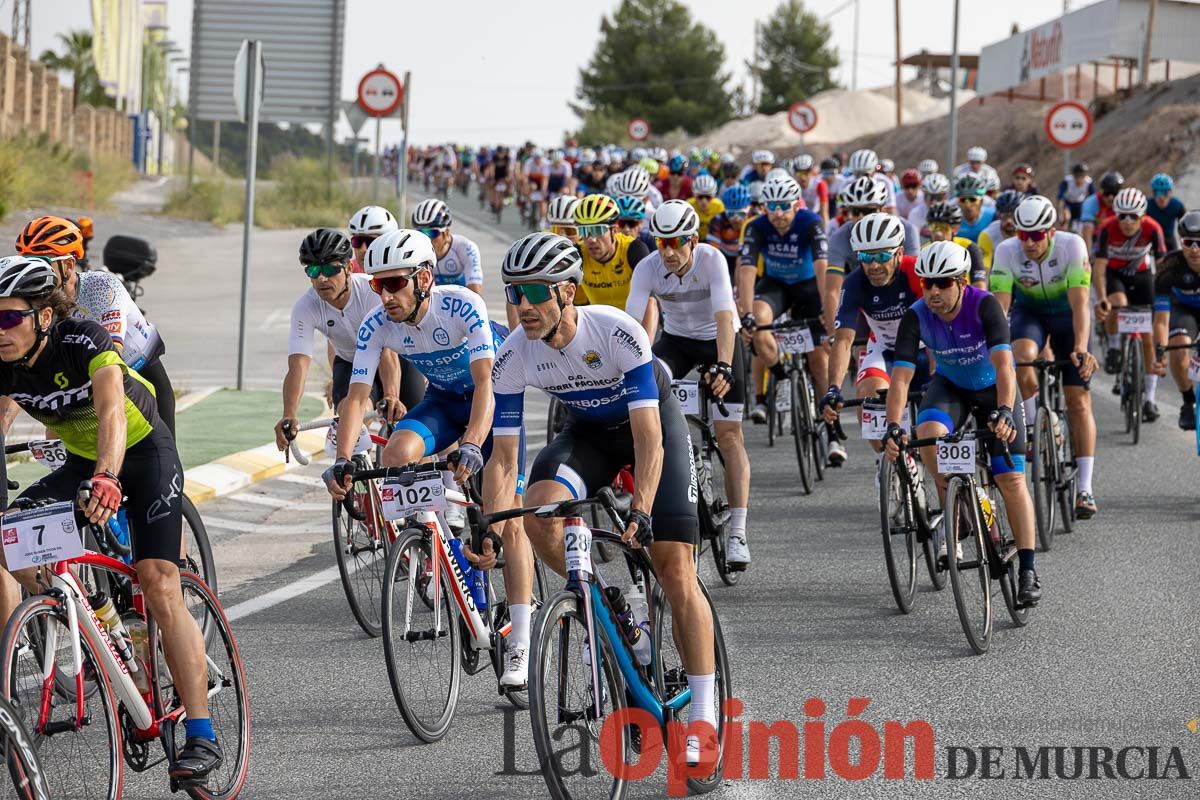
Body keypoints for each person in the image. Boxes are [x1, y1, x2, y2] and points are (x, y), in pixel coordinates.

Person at [488, 232, 719, 764]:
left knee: (673, 564)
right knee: (539, 511)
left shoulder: (617, 332)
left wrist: (641, 509)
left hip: (651, 428)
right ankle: (607, 610)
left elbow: (648, 440)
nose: (522, 306)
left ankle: (704, 717)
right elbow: (504, 460)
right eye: (514, 294)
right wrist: (489, 525)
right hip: (588, 435)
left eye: (533, 292)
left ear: (568, 292)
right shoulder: (513, 354)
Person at [0, 256, 224, 782]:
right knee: (11, 546)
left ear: (43, 317)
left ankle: (202, 733)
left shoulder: (84, 339)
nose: (0, 330)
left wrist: (106, 476)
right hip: (79, 459)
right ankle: (90, 618)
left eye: (10, 318)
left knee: (158, 581)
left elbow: (111, 413)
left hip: (142, 450)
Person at [322, 229, 529, 684]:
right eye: (376, 285)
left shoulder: (461, 306)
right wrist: (343, 458)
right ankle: (436, 541)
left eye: (394, 283)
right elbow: (356, 397)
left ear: (424, 278)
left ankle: (521, 640)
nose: (385, 295)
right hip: (444, 400)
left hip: (494, 396)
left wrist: (473, 443)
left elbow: (485, 385)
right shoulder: (376, 323)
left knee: (505, 520)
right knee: (396, 453)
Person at [882, 241, 1042, 606]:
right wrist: (893, 426)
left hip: (994, 390)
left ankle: (1028, 570)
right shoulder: (918, 314)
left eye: (943, 283)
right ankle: (964, 497)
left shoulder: (984, 305)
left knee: (1011, 477)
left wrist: (1003, 410)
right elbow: (902, 380)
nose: (934, 292)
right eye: (927, 284)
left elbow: (1004, 366)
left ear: (962, 281)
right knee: (928, 437)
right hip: (950, 387)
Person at [627, 201, 751, 567]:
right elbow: (633, 327)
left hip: (718, 341)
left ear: (693, 240)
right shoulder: (648, 267)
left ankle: (738, 532)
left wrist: (725, 366)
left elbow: (726, 317)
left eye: (676, 242)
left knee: (729, 435)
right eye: (661, 241)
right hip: (678, 342)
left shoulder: (712, 260)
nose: (668, 251)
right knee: (650, 388)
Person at [990, 195, 1100, 517]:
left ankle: (1085, 489)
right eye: (1022, 234)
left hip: (1068, 317)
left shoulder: (1072, 246)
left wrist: (1080, 347)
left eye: (1036, 235)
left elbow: (1081, 305)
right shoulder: (1006, 251)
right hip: (1031, 315)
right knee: (1019, 356)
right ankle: (1039, 423)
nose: (1028, 242)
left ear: (1051, 232)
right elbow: (1000, 311)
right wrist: (996, 352)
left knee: (1078, 399)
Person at [15, 216, 177, 434]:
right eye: (26, 264)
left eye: (41, 263)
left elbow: (111, 356)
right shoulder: (38, 302)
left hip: (142, 379)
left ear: (69, 265)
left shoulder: (102, 286)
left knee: (159, 461)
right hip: (88, 388)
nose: (33, 272)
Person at [275, 228, 408, 452]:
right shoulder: (305, 307)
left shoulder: (370, 291)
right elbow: (298, 366)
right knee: (351, 414)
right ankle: (358, 471)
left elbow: (387, 351)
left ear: (348, 267)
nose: (322, 278)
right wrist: (289, 415)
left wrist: (391, 395)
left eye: (330, 268)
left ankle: (446, 481)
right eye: (314, 270)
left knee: (414, 431)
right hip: (351, 363)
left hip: (396, 359)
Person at [821, 214, 929, 462]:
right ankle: (889, 464)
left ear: (900, 252)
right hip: (885, 350)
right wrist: (834, 388)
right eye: (866, 257)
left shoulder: (916, 271)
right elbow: (844, 340)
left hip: (925, 350)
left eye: (881, 256)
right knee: (869, 398)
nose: (873, 266)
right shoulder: (855, 283)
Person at [737, 175, 831, 439]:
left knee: (819, 360)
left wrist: (826, 307)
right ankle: (783, 378)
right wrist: (745, 315)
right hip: (775, 285)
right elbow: (746, 272)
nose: (777, 213)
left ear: (796, 205)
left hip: (808, 287)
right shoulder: (756, 226)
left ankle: (831, 427)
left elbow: (822, 268)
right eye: (771, 206)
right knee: (758, 325)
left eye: (784, 206)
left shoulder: (810, 222)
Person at [1092, 187, 1168, 419]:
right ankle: (1115, 346)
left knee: (1147, 338)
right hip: (1116, 276)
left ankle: (1149, 399)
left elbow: (1164, 267)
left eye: (1133, 216)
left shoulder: (1153, 228)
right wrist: (1102, 298)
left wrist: (1161, 302)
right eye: (1122, 215)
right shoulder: (1107, 228)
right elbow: (1100, 269)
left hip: (1142, 276)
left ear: (1142, 216)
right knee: (1117, 302)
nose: (1126, 221)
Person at [1153, 210, 1200, 430]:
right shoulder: (1168, 267)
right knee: (1178, 347)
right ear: (1181, 242)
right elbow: (1161, 320)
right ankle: (1188, 401)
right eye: (1188, 242)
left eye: (1199, 243)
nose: (1194, 249)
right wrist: (1159, 351)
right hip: (1184, 309)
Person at [572, 193, 651, 309]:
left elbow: (650, 300)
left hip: (634, 320)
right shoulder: (578, 254)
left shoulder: (634, 250)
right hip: (600, 321)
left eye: (597, 230)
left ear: (614, 230)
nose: (591, 239)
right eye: (584, 231)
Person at [923, 202, 988, 288]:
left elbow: (980, 286)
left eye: (944, 228)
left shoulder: (969, 247)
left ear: (955, 229)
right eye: (934, 227)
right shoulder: (923, 251)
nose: (938, 233)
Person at [708, 185, 752, 276]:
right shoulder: (717, 221)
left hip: (746, 256)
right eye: (731, 214)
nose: (736, 219)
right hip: (725, 255)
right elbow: (713, 253)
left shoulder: (753, 220)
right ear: (725, 211)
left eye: (741, 214)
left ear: (748, 210)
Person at [978, 189, 1024, 269]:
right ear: (998, 216)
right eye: (1004, 216)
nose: (1009, 221)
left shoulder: (1031, 231)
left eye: (1013, 216)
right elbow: (984, 269)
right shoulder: (988, 235)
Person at [347, 205, 399, 273]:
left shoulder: (405, 275)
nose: (363, 249)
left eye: (371, 242)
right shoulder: (348, 272)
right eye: (357, 241)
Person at [1080, 170, 1123, 253]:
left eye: (1114, 193)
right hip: (1097, 240)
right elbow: (1087, 231)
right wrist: (1088, 255)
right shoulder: (1091, 202)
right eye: (1107, 193)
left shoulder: (1125, 201)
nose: (1110, 198)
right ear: (1101, 191)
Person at [1147, 173, 1187, 252]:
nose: (1161, 197)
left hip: (1169, 239)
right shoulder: (1146, 205)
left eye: (1165, 193)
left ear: (1171, 193)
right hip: (1151, 240)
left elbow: (1185, 227)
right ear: (1153, 193)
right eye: (1158, 193)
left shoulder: (1177, 206)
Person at [953, 173, 995, 242]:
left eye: (972, 200)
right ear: (958, 203)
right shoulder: (953, 220)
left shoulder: (993, 216)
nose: (968, 205)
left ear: (981, 202)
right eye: (963, 200)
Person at [908, 172, 950, 241]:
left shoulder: (953, 212)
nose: (934, 202)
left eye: (938, 197)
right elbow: (913, 241)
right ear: (923, 196)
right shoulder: (915, 214)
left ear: (945, 196)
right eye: (929, 197)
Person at [1056, 162, 1095, 233]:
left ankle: (1077, 234)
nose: (1079, 180)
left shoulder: (1088, 182)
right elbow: (1060, 197)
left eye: (1082, 177)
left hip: (1080, 203)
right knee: (1066, 217)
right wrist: (1060, 214)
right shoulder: (1067, 181)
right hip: (1068, 203)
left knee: (1080, 221)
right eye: (1077, 177)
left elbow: (1093, 197)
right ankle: (1063, 233)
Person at [792, 154, 829, 224]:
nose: (803, 177)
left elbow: (824, 212)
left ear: (812, 172)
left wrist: (826, 233)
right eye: (799, 174)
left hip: (815, 215)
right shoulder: (792, 184)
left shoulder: (820, 184)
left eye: (806, 173)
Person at [687, 174, 725, 241]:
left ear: (713, 196)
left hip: (713, 241)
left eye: (708, 197)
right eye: (700, 197)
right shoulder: (689, 205)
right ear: (694, 195)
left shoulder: (719, 206)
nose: (704, 201)